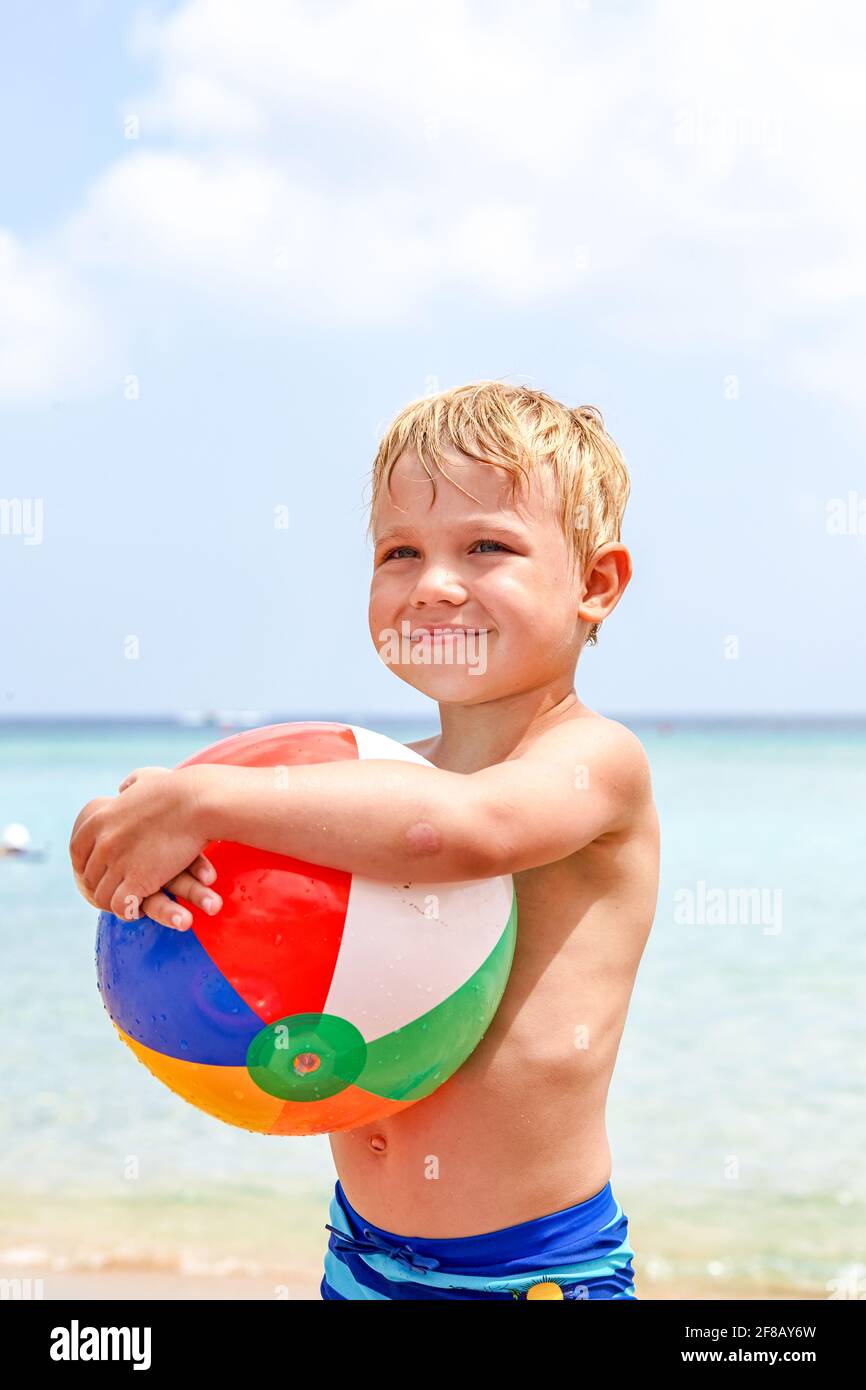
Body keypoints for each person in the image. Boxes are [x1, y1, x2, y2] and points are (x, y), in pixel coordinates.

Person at [69, 380, 660, 1300]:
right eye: (400, 552)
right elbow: (247, 896)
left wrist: (209, 799)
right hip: (361, 1255)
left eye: (488, 547)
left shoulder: (592, 763)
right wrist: (132, 851)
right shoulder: (374, 782)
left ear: (595, 584)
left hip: (532, 1272)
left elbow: (459, 831)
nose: (434, 584)